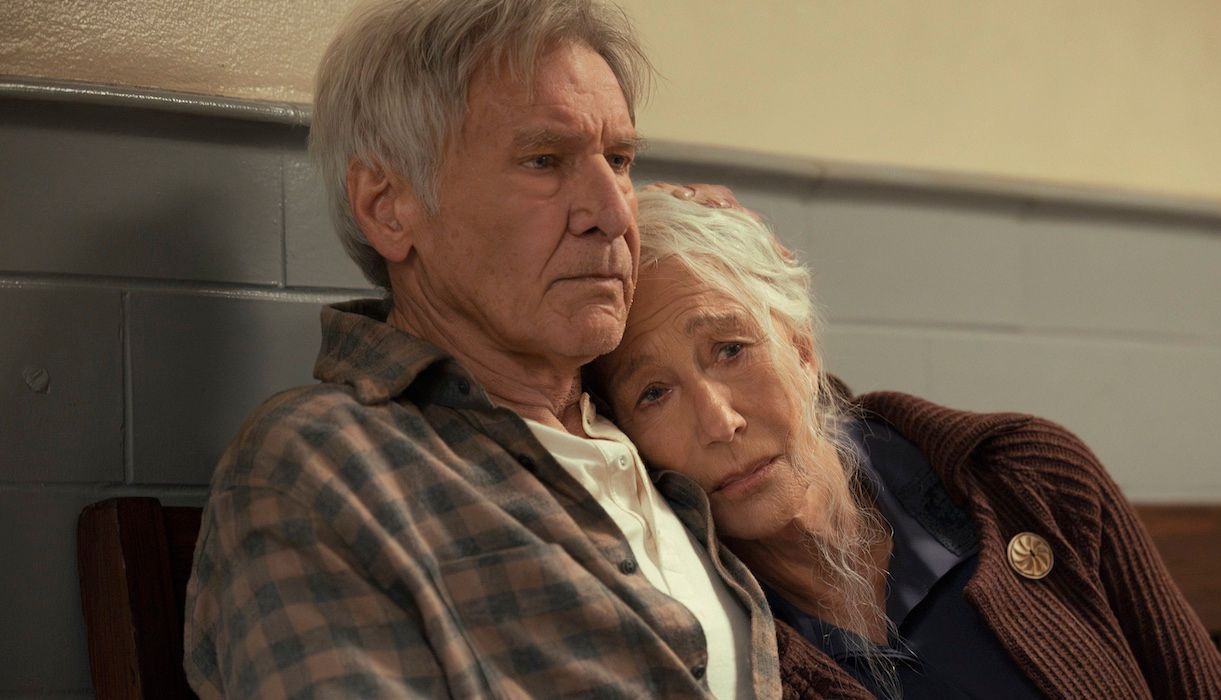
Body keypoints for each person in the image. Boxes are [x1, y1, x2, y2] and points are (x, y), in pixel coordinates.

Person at [183, 2, 854, 697]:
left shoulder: (649, 423)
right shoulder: (324, 465)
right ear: (388, 206)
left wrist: (752, 292)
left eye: (619, 160)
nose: (616, 212)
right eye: (544, 161)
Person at [588, 189, 1221, 699]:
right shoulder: (701, 632)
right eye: (653, 392)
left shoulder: (1028, 479)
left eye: (730, 350)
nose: (719, 421)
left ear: (801, 347)